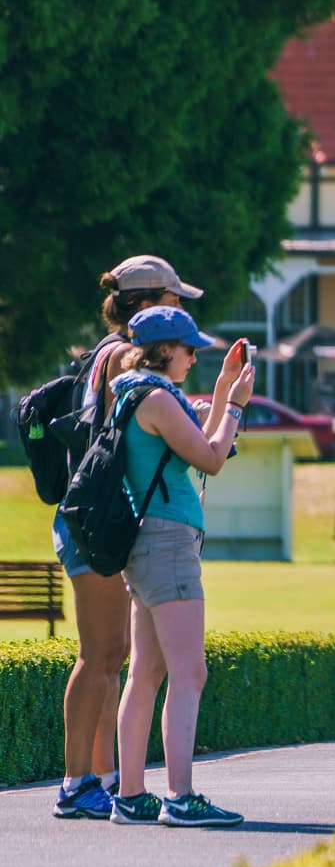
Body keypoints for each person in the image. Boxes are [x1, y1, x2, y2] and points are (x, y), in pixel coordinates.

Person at [51, 257, 204, 822]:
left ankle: (105, 780)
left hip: (96, 515)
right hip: (100, 518)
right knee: (100, 654)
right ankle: (78, 784)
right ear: (146, 303)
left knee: (112, 655)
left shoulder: (108, 353)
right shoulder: (125, 356)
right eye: (173, 299)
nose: (180, 310)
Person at [110, 306, 254, 827]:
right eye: (189, 349)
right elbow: (212, 458)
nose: (193, 357)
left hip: (148, 542)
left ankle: (131, 796)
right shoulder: (156, 399)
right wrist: (235, 406)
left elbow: (199, 446)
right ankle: (180, 796)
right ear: (164, 349)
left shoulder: (135, 393)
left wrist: (222, 391)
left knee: (146, 672)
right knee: (190, 671)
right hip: (168, 543)